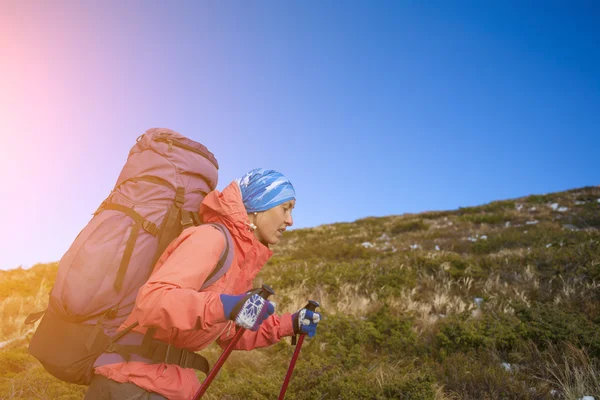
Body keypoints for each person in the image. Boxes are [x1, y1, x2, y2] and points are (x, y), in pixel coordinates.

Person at [84, 168, 321, 400]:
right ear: (259, 207)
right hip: (132, 382)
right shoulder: (210, 238)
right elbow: (153, 301)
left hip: (168, 384)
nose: (290, 220)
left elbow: (227, 333)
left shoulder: (238, 260)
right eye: (285, 208)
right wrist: (226, 306)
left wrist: (289, 324)